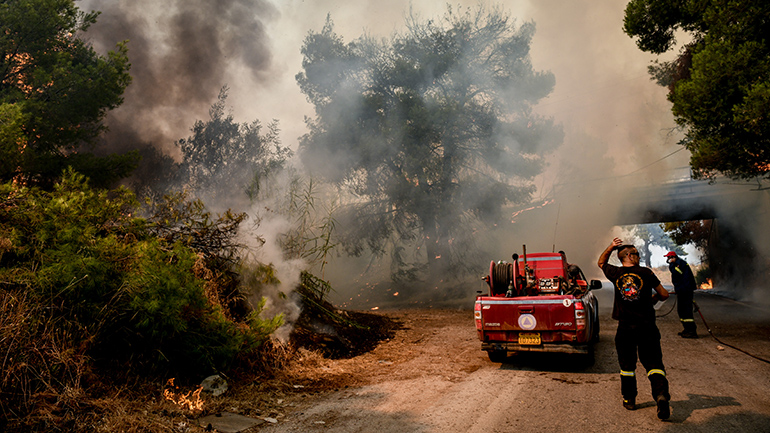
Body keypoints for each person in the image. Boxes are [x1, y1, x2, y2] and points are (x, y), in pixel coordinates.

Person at [598, 237, 671, 420]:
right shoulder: (646, 273)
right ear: (629, 255)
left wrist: (611, 246)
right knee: (654, 365)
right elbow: (664, 294)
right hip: (647, 327)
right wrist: (653, 299)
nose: (639, 256)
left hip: (625, 328)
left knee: (627, 366)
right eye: (637, 254)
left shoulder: (615, 273)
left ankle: (629, 399)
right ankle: (661, 396)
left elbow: (601, 262)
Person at [664, 251, 698, 338]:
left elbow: (677, 273)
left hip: (685, 290)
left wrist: (671, 265)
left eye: (669, 258)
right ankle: (686, 329)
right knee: (681, 311)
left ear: (673, 257)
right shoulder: (678, 264)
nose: (668, 260)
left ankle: (691, 331)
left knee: (686, 311)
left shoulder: (679, 264)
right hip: (682, 290)